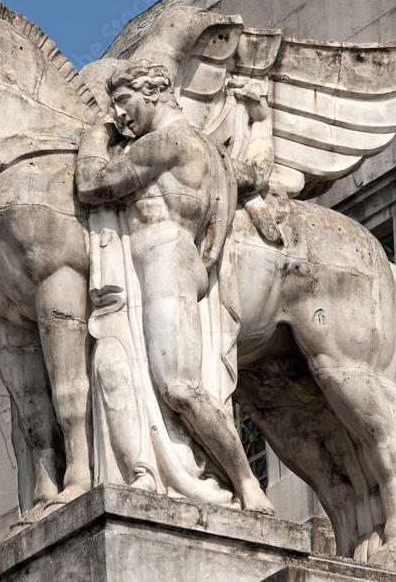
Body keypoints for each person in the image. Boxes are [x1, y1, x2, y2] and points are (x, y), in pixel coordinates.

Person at [75, 61, 274, 514]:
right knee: (166, 384)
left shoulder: (165, 144)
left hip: (164, 262)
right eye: (114, 109)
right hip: (162, 266)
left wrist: (95, 136)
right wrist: (262, 122)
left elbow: (92, 185)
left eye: (124, 103)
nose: (119, 116)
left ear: (154, 93)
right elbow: (257, 173)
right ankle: (237, 481)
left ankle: (247, 485)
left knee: (179, 386)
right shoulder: (213, 151)